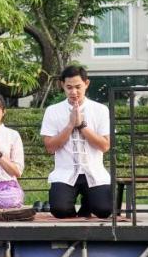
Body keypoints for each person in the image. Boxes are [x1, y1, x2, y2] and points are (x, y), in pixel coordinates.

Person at [40, 65, 113, 219]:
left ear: (86, 84)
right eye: (69, 87)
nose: (74, 92)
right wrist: (70, 125)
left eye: (78, 87)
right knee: (60, 210)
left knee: (104, 210)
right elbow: (50, 147)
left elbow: (105, 145)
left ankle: (89, 203)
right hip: (65, 172)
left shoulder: (100, 110)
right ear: (62, 86)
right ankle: (77, 208)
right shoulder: (53, 110)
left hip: (94, 171)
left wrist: (81, 126)